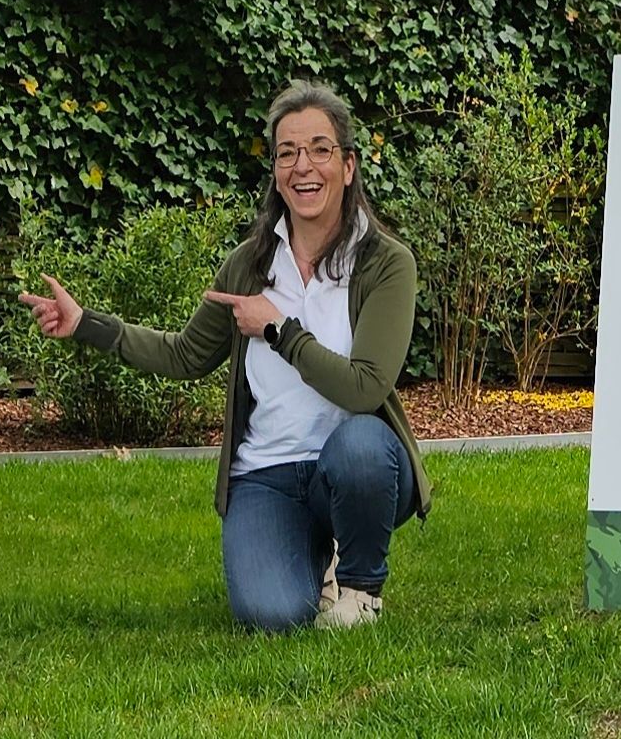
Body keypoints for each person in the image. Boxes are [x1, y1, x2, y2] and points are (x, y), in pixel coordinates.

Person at [21, 81, 429, 631]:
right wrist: (86, 324)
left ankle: (359, 588)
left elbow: (366, 388)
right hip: (267, 474)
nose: (303, 167)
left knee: (361, 448)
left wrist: (279, 331)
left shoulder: (386, 263)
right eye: (287, 153)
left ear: (348, 165)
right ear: (275, 173)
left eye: (319, 149)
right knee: (271, 615)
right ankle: (314, 560)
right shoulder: (248, 263)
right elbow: (186, 354)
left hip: (351, 467)